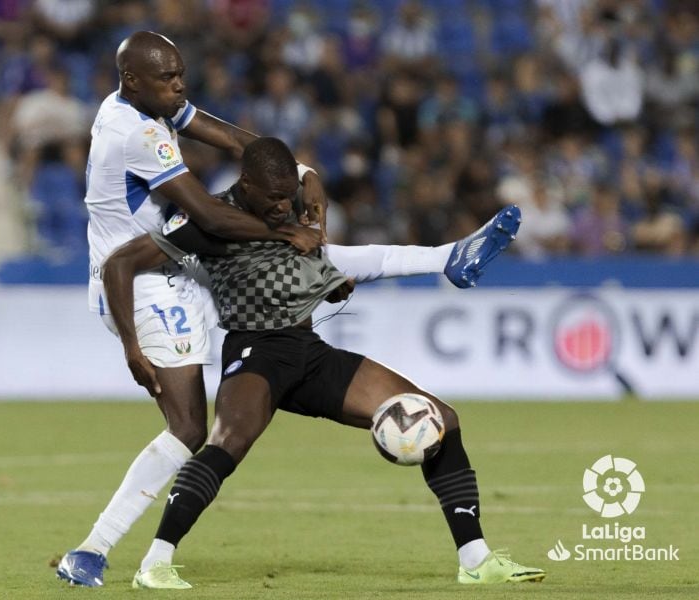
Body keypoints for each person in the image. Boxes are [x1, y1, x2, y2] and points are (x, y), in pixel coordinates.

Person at [56, 31, 517, 587]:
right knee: (188, 428)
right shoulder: (141, 136)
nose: (181, 85)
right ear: (134, 79)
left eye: (181, 73)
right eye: (169, 77)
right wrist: (292, 230)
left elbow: (231, 138)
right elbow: (209, 216)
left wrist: (299, 172)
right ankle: (98, 550)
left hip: (192, 280)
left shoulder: (134, 105)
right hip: (142, 279)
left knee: (307, 273)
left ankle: (476, 560)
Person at [101, 137, 543, 588]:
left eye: (286, 196)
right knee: (226, 443)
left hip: (308, 352)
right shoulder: (205, 220)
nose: (281, 207)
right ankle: (155, 563)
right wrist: (132, 349)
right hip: (257, 351)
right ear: (246, 185)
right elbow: (119, 264)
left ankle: (476, 560)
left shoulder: (290, 196)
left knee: (442, 419)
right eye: (272, 198)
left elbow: (304, 219)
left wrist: (325, 272)